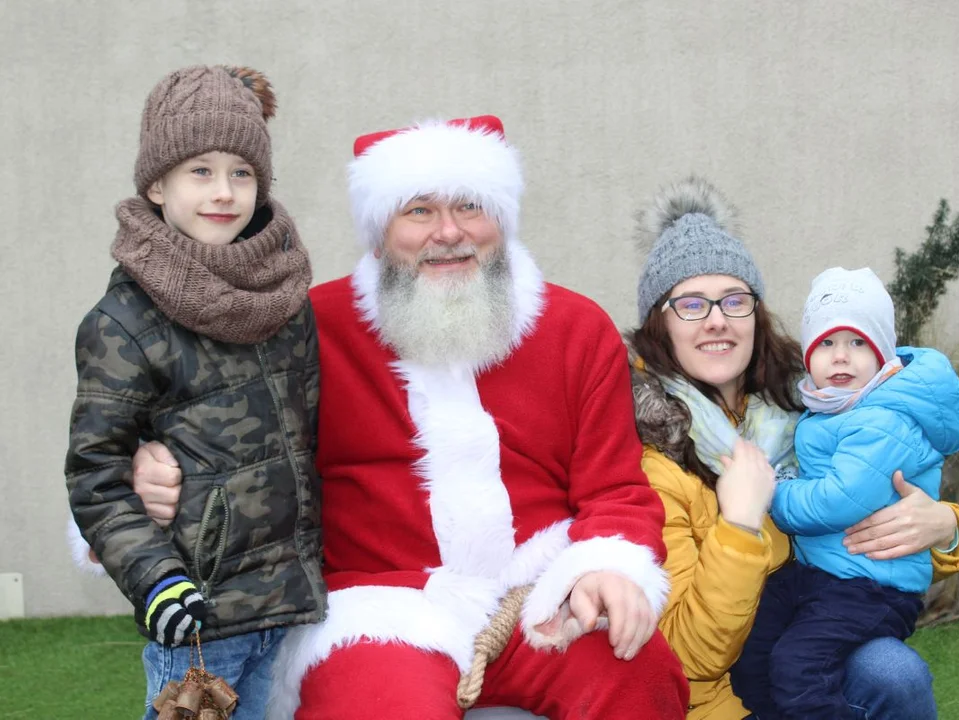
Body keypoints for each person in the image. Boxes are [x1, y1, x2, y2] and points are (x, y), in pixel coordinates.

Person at [129, 115, 690, 720]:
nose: (449, 232)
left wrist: (607, 565)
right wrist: (154, 466)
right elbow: (217, 433)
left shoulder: (574, 328)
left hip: (536, 595)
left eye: (471, 207)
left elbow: (614, 487)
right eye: (418, 211)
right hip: (378, 611)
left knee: (642, 675)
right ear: (378, 233)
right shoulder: (305, 329)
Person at [628, 177, 959, 720]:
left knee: (893, 673)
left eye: (734, 300)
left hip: (808, 620)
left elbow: (876, 491)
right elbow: (688, 652)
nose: (717, 319)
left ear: (756, 314)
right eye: (691, 303)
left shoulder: (809, 398)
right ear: (659, 322)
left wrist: (948, 526)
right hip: (716, 684)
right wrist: (740, 523)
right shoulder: (646, 448)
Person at [64, 65, 326, 720]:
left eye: (242, 172)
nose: (225, 192)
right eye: (200, 171)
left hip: (287, 605)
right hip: (199, 622)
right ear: (157, 183)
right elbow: (96, 475)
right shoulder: (124, 323)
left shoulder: (285, 298)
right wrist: (157, 581)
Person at [728, 266, 959, 719]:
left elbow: (838, 501)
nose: (841, 356)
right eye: (827, 343)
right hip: (820, 576)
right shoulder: (831, 409)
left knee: (799, 666)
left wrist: (770, 493)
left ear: (884, 354)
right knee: (754, 649)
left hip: (868, 588)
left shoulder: (881, 419)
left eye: (858, 342)